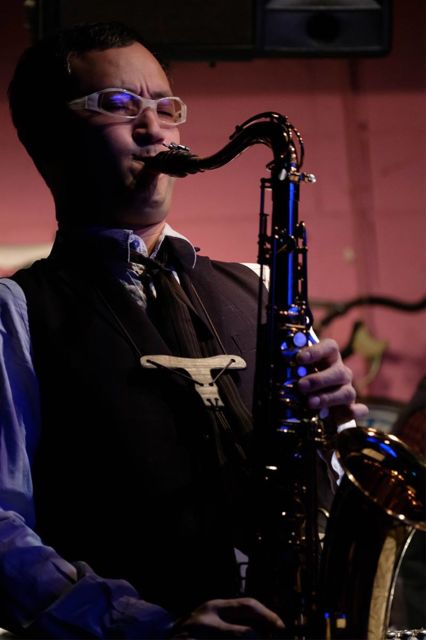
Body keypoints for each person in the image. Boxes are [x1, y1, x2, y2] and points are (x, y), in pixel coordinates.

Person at [0, 22, 368, 639]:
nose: (156, 129)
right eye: (119, 105)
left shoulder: (261, 288)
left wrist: (334, 436)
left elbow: (319, 496)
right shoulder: (15, 313)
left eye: (166, 107)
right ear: (47, 138)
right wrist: (147, 629)